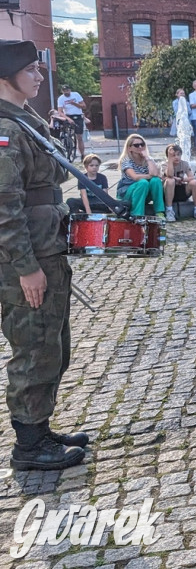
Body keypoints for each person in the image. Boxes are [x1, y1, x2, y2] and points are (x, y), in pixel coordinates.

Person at [0, 40, 88, 471]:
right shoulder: (5, 128)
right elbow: (4, 206)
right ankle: (29, 446)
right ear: (6, 76)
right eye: (31, 70)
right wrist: (26, 268)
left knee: (53, 344)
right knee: (33, 346)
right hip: (28, 258)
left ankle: (41, 426)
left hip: (47, 247)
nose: (39, 76)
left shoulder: (24, 119)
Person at [116, 135, 165, 217]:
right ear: (129, 148)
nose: (140, 147)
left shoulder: (148, 159)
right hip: (128, 191)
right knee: (143, 182)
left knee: (156, 180)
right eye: (136, 145)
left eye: (142, 144)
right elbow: (135, 177)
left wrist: (147, 158)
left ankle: (159, 212)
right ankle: (137, 214)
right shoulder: (126, 160)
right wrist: (150, 175)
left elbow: (155, 174)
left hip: (144, 192)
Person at [161, 143, 196, 221]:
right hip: (168, 193)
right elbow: (170, 175)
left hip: (181, 190)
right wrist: (170, 161)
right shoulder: (164, 165)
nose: (176, 157)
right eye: (173, 155)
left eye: (178, 154)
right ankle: (169, 210)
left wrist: (182, 180)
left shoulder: (184, 164)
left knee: (194, 182)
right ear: (168, 157)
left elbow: (192, 177)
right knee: (170, 181)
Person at [57, 83, 87, 159]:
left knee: (79, 136)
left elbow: (84, 106)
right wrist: (68, 118)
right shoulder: (61, 98)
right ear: (62, 91)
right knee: (66, 131)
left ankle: (82, 154)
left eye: (67, 90)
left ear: (70, 90)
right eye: (64, 91)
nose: (66, 92)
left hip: (78, 115)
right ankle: (68, 145)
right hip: (68, 116)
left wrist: (74, 103)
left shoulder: (76, 95)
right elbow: (60, 111)